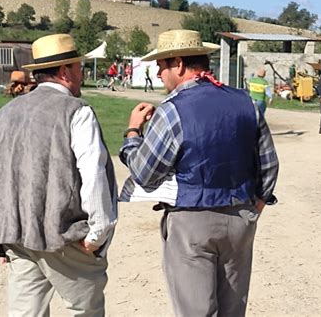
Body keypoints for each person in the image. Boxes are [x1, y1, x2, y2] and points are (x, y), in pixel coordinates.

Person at [119, 29, 279, 316]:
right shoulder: (246, 102)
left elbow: (145, 173)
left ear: (178, 64)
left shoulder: (173, 110)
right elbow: (268, 165)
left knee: (196, 311)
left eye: (161, 66)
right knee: (232, 310)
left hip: (192, 220)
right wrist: (254, 206)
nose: (158, 74)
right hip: (240, 216)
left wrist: (133, 134)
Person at [0, 34, 118, 316]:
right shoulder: (77, 112)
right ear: (65, 71)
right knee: (86, 311)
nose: (81, 73)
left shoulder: (4, 114)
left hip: (18, 235)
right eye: (78, 67)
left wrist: (4, 232)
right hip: (66, 237)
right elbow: (92, 173)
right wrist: (97, 232)